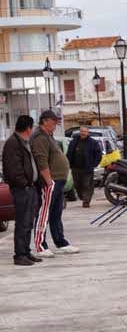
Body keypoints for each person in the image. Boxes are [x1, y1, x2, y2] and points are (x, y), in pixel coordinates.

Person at [31, 110, 79, 257]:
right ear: (45, 121)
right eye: (53, 121)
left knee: (56, 213)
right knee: (44, 213)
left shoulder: (48, 136)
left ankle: (61, 242)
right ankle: (40, 245)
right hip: (50, 181)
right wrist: (49, 181)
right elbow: (41, 161)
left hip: (58, 181)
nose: (56, 124)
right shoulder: (39, 137)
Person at [2, 115, 41, 265]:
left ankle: (26, 251)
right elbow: (13, 169)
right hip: (22, 189)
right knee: (22, 222)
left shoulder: (24, 142)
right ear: (28, 128)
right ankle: (19, 255)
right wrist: (24, 184)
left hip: (29, 188)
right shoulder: (13, 143)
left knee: (29, 222)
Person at [66, 126, 102, 207]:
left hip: (87, 168)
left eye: (85, 131)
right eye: (82, 131)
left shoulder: (93, 142)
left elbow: (98, 154)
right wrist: (68, 162)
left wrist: (94, 164)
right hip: (75, 168)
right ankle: (83, 197)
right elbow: (69, 153)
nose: (83, 133)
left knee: (87, 185)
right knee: (77, 185)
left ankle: (86, 201)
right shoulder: (74, 141)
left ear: (88, 133)